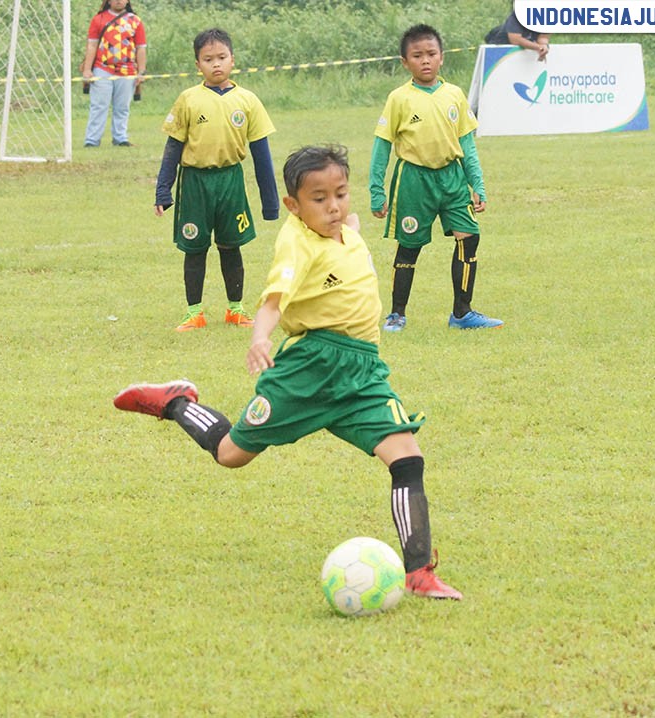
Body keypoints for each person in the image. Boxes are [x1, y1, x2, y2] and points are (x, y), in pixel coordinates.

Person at [116, 145, 463, 600]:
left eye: (340, 193)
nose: (333, 206)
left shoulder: (347, 230)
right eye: (319, 199)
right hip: (309, 367)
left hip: (362, 373)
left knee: (407, 457)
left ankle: (419, 573)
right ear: (294, 207)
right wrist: (260, 336)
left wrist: (350, 223)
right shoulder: (295, 244)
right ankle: (176, 401)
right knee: (230, 454)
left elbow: (352, 227)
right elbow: (274, 300)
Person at [370, 24, 502, 332]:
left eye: (431, 54)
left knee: (469, 237)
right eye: (417, 56)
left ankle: (462, 313)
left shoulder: (454, 95)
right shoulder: (399, 98)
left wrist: (477, 185)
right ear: (405, 62)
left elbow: (467, 145)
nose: (425, 61)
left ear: (441, 57)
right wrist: (377, 191)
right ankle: (397, 314)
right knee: (409, 245)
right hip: (414, 181)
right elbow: (382, 147)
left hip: (452, 179)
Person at [155, 28, 279, 332]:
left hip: (230, 181)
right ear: (198, 64)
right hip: (195, 182)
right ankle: (194, 313)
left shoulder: (247, 101)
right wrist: (162, 190)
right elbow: (172, 148)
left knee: (231, 246)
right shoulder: (188, 99)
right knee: (194, 247)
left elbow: (261, 154)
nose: (216, 64)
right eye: (208, 59)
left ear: (232, 59)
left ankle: (235, 309)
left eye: (222, 57)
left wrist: (271, 203)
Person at [80, 0, 146, 147]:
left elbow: (141, 48)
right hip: (102, 68)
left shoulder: (135, 21)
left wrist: (141, 71)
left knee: (122, 107)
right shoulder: (99, 19)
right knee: (99, 105)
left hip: (128, 71)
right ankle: (91, 140)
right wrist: (87, 69)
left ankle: (120, 138)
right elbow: (92, 45)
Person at [484, 10, 550, 61]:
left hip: (522, 53)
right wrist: (538, 47)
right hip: (500, 48)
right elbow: (515, 40)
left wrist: (543, 46)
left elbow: (543, 37)